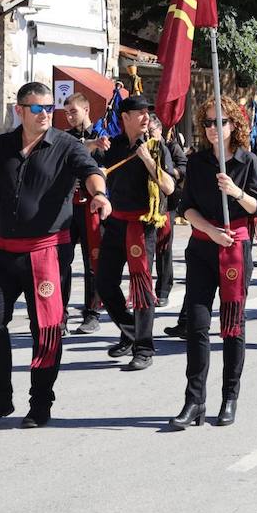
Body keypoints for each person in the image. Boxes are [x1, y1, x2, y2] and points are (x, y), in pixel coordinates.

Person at [0, 82, 106, 431]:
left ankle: (40, 402)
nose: (45, 113)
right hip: (1, 253)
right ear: (20, 110)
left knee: (45, 330)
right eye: (37, 108)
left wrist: (100, 195)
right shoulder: (0, 145)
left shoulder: (66, 144)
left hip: (46, 254)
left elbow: (91, 172)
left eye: (48, 108)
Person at [168, 99, 257, 430]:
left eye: (219, 122)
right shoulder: (196, 162)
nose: (213, 128)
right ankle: (194, 401)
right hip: (202, 247)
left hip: (235, 249)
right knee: (196, 326)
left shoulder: (246, 160)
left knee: (232, 326)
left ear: (233, 125)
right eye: (208, 122)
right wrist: (209, 230)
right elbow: (186, 207)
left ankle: (229, 397)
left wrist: (236, 191)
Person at [95, 95, 176, 371]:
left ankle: (143, 347)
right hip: (115, 222)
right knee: (104, 282)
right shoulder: (113, 146)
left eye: (147, 113)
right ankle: (130, 332)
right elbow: (87, 164)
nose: (145, 118)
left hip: (143, 225)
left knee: (141, 289)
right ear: (125, 117)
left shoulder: (155, 148)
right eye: (139, 113)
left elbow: (169, 187)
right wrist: (93, 148)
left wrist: (147, 161)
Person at [61, 92, 110, 335]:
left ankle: (92, 313)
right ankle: (60, 315)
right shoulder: (63, 139)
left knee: (93, 261)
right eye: (67, 113)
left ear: (87, 110)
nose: (70, 117)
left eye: (74, 112)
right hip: (67, 208)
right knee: (62, 261)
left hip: (91, 207)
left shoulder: (102, 138)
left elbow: (107, 169)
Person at [151, 113, 187, 308]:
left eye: (151, 131)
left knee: (164, 247)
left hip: (166, 204)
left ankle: (163, 290)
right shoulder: (142, 149)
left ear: (159, 130)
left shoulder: (171, 147)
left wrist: (168, 170)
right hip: (146, 204)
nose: (149, 135)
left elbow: (183, 168)